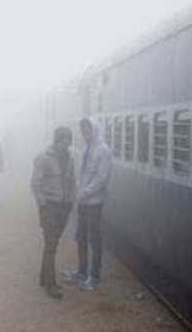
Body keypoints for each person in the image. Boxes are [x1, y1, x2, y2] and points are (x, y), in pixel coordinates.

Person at [65, 118, 113, 291]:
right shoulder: (87, 149)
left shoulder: (103, 151)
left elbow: (102, 178)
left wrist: (84, 192)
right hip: (83, 201)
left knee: (94, 238)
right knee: (81, 236)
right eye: (83, 131)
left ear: (94, 130)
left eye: (87, 130)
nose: (85, 134)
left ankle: (95, 276)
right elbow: (82, 173)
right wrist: (78, 189)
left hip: (94, 202)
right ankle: (82, 271)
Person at [31, 126, 76, 300]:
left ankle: (44, 277)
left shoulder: (70, 158)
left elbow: (71, 181)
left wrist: (71, 201)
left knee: (53, 244)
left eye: (68, 140)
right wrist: (42, 205)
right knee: (51, 245)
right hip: (50, 207)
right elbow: (35, 183)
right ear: (56, 140)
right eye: (63, 140)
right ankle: (50, 285)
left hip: (63, 207)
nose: (66, 144)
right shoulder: (44, 158)